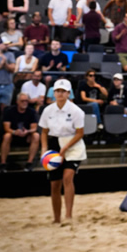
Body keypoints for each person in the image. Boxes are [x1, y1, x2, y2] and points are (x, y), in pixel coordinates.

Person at [39, 78, 86, 223]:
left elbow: (80, 133)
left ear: (68, 93)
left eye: (63, 91)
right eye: (57, 91)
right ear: (54, 93)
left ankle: (69, 215)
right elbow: (44, 132)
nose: (60, 94)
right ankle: (56, 218)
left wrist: (66, 147)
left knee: (68, 177)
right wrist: (44, 149)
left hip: (72, 144)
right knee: (54, 183)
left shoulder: (76, 111)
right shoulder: (48, 110)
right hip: (54, 145)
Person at [1, 92, 40, 170]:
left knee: (36, 135)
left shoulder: (31, 111)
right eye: (22, 101)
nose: (25, 103)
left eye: (26, 101)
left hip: (26, 136)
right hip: (13, 135)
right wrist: (15, 132)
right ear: (17, 101)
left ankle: (29, 162)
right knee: (7, 135)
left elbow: (34, 128)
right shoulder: (9, 111)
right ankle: (3, 163)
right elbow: (6, 128)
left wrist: (28, 131)